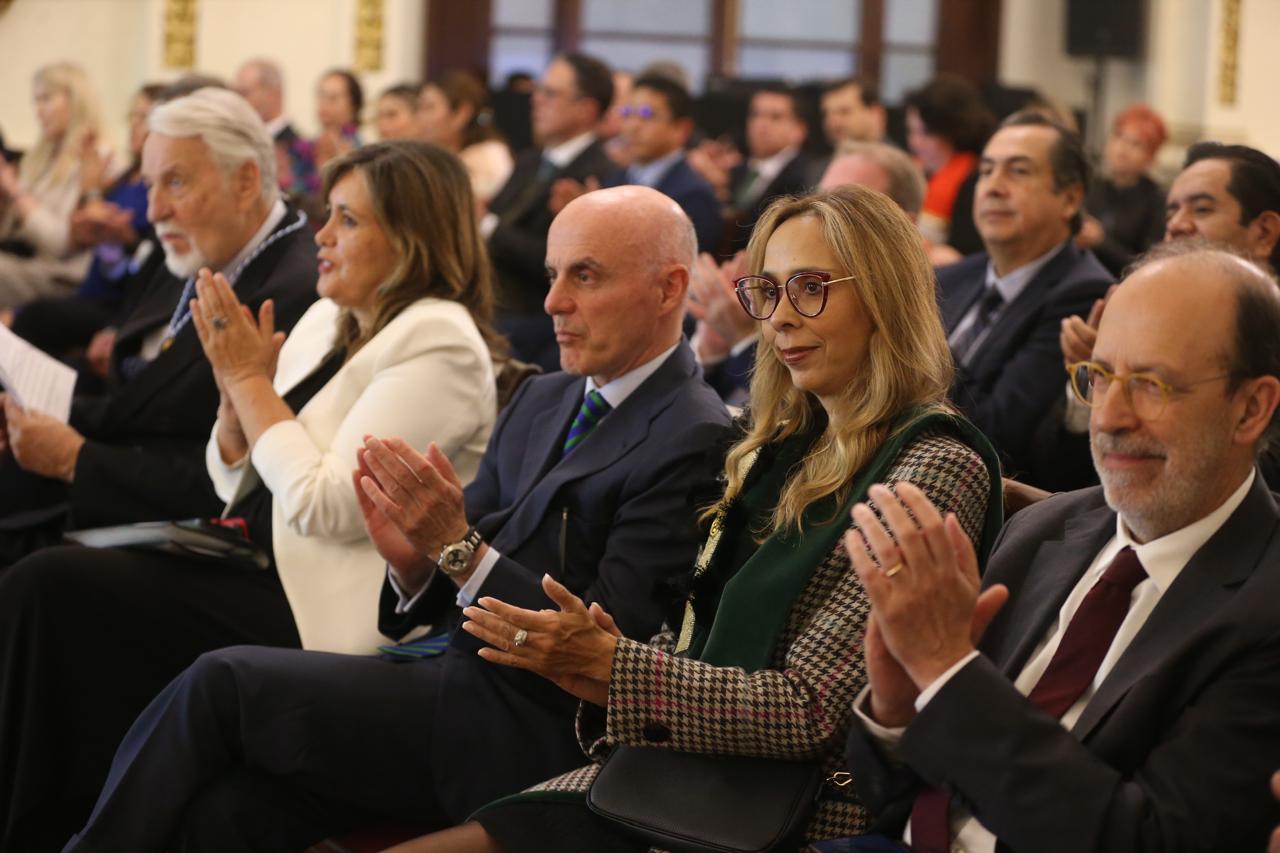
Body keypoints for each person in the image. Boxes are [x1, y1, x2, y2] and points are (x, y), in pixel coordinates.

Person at [63, 186, 733, 852]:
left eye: (585, 277)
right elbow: (464, 561)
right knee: (228, 811)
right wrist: (414, 561)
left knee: (222, 681)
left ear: (669, 288)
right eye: (554, 275)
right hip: (440, 673)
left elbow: (607, 650)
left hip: (526, 722)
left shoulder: (693, 434)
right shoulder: (545, 395)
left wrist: (456, 547)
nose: (554, 301)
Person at [385, 184, 1003, 852]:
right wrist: (593, 660)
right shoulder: (777, 448)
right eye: (766, 293)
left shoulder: (932, 465)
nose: (781, 319)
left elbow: (813, 713)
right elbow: (695, 643)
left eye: (811, 288)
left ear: (884, 296)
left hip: (790, 812)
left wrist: (614, 665)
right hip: (683, 774)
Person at [0, 139, 500, 851]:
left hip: (321, 609)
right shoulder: (334, 317)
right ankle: (38, 816)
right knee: (50, 584)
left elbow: (329, 502)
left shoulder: (439, 341)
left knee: (62, 589)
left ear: (413, 238)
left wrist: (250, 387)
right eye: (328, 215)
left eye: (349, 221)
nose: (323, 235)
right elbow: (233, 475)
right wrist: (237, 418)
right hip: (254, 559)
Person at [842, 242, 1280, 853]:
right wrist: (898, 709)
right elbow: (882, 798)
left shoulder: (1265, 605)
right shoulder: (1042, 530)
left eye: (1151, 385)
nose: (1108, 417)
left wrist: (947, 672)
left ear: (1250, 408)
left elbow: (1147, 840)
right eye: (1098, 377)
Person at [0, 87, 318, 564]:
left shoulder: (292, 291)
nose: (153, 211)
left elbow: (237, 483)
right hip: (113, 484)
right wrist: (28, 415)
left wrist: (76, 459)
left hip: (184, 535)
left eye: (175, 183)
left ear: (247, 181)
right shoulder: (199, 246)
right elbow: (134, 404)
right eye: (150, 185)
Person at [1028, 141, 1280, 493]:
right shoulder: (1135, 312)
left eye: (1202, 209)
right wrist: (1091, 379)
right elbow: (1056, 470)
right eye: (1171, 212)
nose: (1176, 225)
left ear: (1264, 232)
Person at [939, 111, 1111, 479]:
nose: (993, 187)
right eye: (986, 171)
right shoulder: (951, 277)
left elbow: (996, 434)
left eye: (1017, 171)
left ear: (1069, 198)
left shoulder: (1081, 295)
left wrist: (908, 345)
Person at [10, 82, 165, 377]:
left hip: (116, 299)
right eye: (131, 116)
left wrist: (121, 238)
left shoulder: (151, 183)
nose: (134, 125)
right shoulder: (124, 175)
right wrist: (89, 192)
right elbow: (83, 231)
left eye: (143, 117)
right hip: (92, 285)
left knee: (35, 316)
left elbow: (142, 255)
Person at [482, 52, 615, 372]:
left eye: (550, 93)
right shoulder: (530, 160)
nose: (536, 100)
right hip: (495, 304)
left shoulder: (601, 175)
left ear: (586, 109)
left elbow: (557, 262)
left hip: (539, 320)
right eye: (538, 91)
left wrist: (487, 226)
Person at [555, 73, 720, 253]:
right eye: (627, 113)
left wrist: (601, 224)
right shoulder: (613, 180)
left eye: (647, 115)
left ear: (681, 129)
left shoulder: (693, 195)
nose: (633, 125)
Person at [0, 62, 108, 309]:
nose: (38, 111)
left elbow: (59, 244)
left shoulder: (96, 156)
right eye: (35, 102)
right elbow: (11, 237)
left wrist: (15, 191)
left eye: (46, 99)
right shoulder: (43, 158)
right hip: (31, 266)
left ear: (75, 100)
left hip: (63, 279)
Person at [1075, 104, 1168, 276]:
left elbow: (1149, 266)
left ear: (1151, 157)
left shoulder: (1157, 200)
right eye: (1118, 137)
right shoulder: (1092, 188)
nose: (1123, 149)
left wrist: (1101, 242)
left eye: (1136, 144)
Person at [904, 75, 995, 249]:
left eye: (926, 133)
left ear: (953, 131)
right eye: (911, 131)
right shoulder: (915, 174)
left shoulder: (975, 181)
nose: (915, 142)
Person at [723, 85, 812, 251]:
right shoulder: (737, 170)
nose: (761, 125)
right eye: (755, 115)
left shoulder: (804, 180)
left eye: (775, 117)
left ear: (799, 130)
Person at [418, 71, 513, 205]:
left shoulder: (489, 156)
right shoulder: (436, 156)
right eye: (420, 108)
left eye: (429, 108)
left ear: (461, 113)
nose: (421, 117)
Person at [233, 58, 318, 199]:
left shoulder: (301, 148)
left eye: (245, 93)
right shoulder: (234, 140)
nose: (237, 101)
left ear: (273, 94)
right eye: (236, 93)